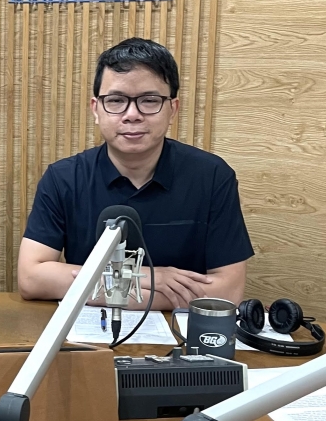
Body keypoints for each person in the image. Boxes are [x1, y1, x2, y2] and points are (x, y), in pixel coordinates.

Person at [17, 37, 252, 309]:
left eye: (149, 101)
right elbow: (32, 278)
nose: (132, 114)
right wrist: (147, 276)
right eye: (116, 100)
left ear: (172, 109)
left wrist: (92, 285)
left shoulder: (212, 177)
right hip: (90, 331)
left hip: (180, 331)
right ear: (96, 109)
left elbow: (227, 292)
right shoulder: (63, 178)